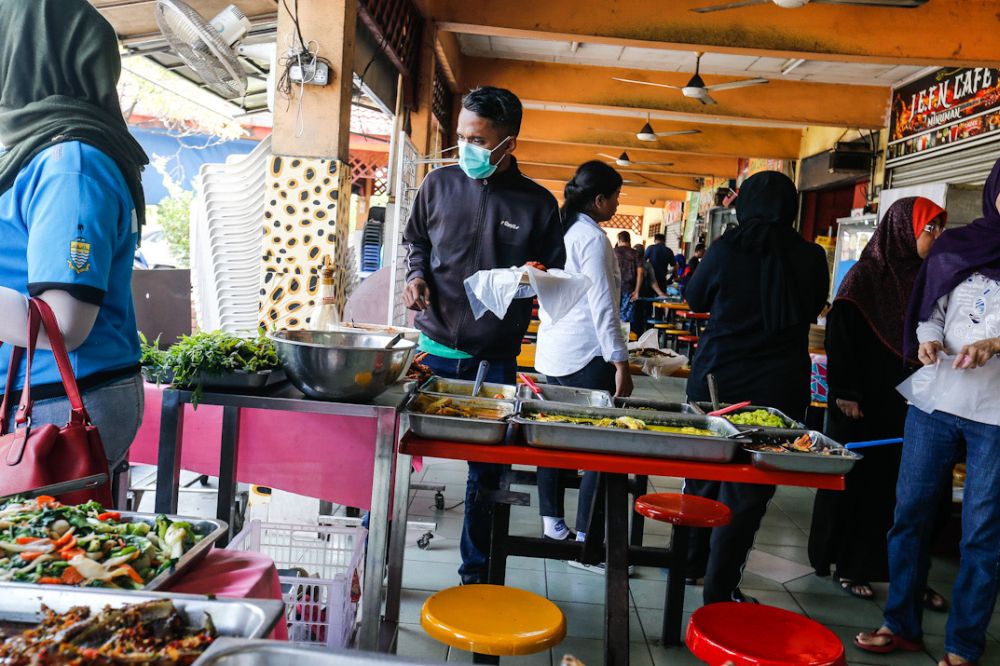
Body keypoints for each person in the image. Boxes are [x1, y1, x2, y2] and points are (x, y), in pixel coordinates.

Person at [402, 86, 566, 585]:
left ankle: (476, 575)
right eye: (460, 137)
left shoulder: (538, 204)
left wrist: (527, 280)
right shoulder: (437, 184)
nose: (464, 148)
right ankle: (373, 551)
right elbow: (417, 242)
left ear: (508, 144)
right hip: (429, 354)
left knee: (487, 474)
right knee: (391, 456)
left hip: (491, 361)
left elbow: (551, 273)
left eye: (477, 139)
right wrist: (415, 277)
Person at [855, 160, 1000, 666]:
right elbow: (930, 308)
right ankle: (901, 623)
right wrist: (929, 339)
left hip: (997, 415)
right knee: (909, 514)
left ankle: (963, 645)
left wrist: (996, 343)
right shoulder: (958, 245)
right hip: (937, 400)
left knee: (982, 531)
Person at [0, 0, 148, 472]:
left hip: (56, 408)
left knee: (42, 546)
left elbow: (64, 324)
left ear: (26, 57)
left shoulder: (70, 164)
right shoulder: (40, 153)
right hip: (39, 399)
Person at [683, 171, 829, 604]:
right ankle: (720, 587)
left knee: (704, 476)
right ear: (791, 208)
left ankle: (690, 563)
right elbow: (813, 307)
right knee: (750, 489)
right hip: (778, 390)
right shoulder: (810, 257)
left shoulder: (727, 248)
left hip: (716, 382)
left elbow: (694, 299)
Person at [808, 197, 949, 604]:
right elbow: (842, 337)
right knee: (865, 489)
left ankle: (909, 578)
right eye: (930, 229)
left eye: (941, 228)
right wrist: (846, 392)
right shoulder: (864, 277)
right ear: (905, 229)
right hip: (866, 406)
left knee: (917, 492)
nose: (938, 237)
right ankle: (853, 566)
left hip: (916, 402)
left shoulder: (932, 278)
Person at [534, 161, 634, 562]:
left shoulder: (562, 229)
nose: (616, 203)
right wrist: (620, 361)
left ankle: (552, 523)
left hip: (554, 353)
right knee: (598, 447)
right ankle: (586, 542)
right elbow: (603, 307)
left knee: (552, 441)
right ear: (599, 199)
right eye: (615, 197)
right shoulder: (592, 239)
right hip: (585, 356)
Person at [631, 243, 668, 336]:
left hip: (638, 296)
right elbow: (653, 281)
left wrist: (660, 293)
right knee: (641, 320)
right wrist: (660, 293)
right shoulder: (646, 265)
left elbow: (652, 281)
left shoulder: (645, 265)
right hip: (642, 295)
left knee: (638, 320)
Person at [614, 231, 642, 325]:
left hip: (613, 289)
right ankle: (625, 339)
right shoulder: (635, 254)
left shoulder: (613, 252)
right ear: (629, 240)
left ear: (619, 240)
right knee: (626, 320)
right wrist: (637, 290)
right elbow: (640, 273)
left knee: (612, 318)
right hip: (629, 290)